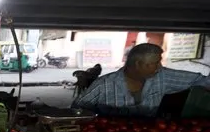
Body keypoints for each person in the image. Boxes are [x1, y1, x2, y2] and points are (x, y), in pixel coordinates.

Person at [73, 43, 210, 116]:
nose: (159, 67)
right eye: (155, 63)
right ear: (138, 64)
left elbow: (202, 80)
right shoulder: (103, 85)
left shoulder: (163, 77)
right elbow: (76, 110)